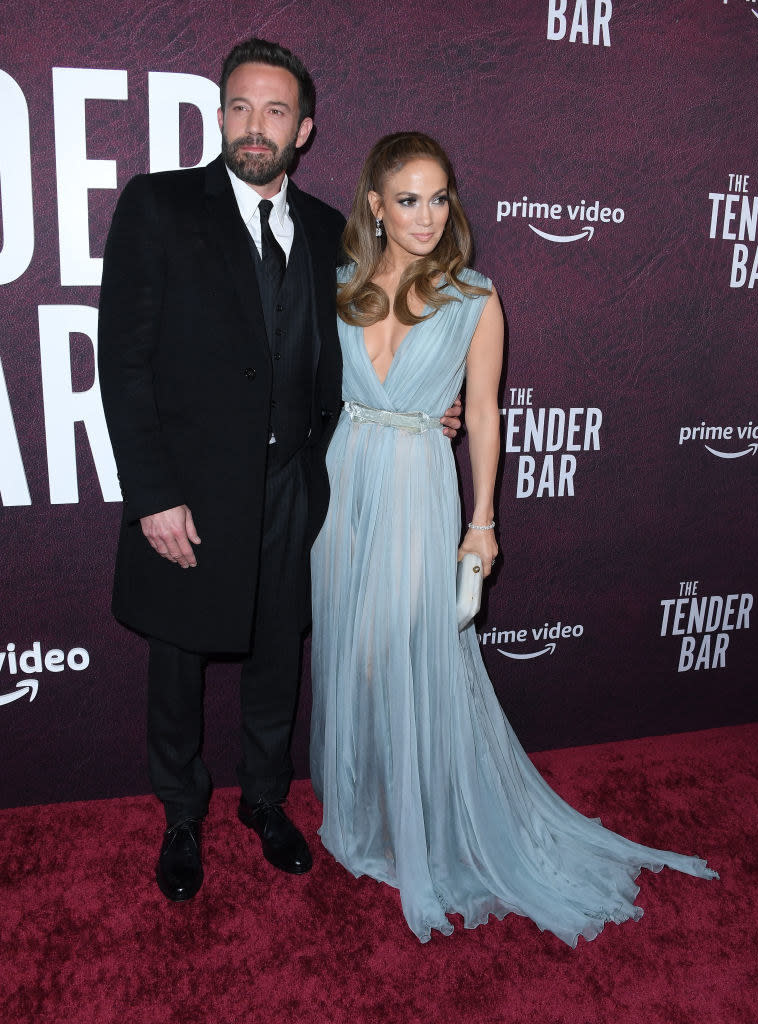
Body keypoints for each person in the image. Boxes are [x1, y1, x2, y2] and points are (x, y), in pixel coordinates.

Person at [309, 132, 718, 946]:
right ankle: (368, 814)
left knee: (409, 652)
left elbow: (486, 413)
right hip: (339, 479)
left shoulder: (473, 296)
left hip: (416, 484)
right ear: (376, 208)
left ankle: (428, 823)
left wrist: (482, 523)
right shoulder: (338, 283)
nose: (428, 215)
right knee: (348, 649)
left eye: (439, 197)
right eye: (409, 199)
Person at [99, 37, 461, 903]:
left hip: (295, 491)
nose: (253, 127)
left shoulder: (338, 234)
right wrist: (152, 493)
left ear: (303, 129)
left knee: (275, 658)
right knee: (178, 660)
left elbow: (367, 353)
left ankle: (264, 800)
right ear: (219, 114)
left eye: (273, 111)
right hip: (186, 495)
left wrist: (423, 409)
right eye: (238, 106)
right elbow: (123, 360)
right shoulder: (158, 205)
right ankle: (181, 812)